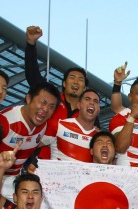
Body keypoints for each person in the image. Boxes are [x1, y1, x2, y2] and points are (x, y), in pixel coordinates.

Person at [25, 25, 87, 160]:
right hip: (36, 163)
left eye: (80, 79)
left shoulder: (88, 113)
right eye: (72, 78)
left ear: (85, 88)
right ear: (64, 84)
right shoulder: (51, 99)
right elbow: (32, 74)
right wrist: (31, 44)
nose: (76, 82)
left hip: (69, 170)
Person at [40, 88, 101, 162]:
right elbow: (33, 144)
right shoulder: (58, 125)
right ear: (78, 105)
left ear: (98, 109)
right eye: (87, 99)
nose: (92, 103)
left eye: (95, 101)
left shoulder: (100, 137)